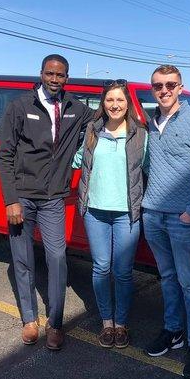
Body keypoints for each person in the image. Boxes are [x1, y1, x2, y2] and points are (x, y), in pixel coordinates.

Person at [0, 54, 93, 350]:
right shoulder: (20, 107)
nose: (55, 79)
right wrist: (11, 200)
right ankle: (29, 319)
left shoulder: (76, 108)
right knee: (23, 260)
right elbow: (4, 156)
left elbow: (107, 116)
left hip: (53, 200)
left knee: (57, 258)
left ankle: (55, 323)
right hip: (23, 199)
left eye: (60, 75)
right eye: (50, 73)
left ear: (67, 77)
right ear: (41, 74)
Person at [142, 65, 190, 379]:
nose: (164, 90)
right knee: (167, 278)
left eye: (170, 84)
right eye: (158, 86)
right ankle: (173, 330)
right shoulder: (150, 124)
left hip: (182, 218)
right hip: (153, 215)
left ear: (180, 86)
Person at [72, 79, 146, 349]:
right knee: (101, 268)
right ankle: (107, 322)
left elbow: (149, 168)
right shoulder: (92, 130)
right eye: (110, 100)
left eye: (120, 100)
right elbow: (78, 159)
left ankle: (121, 322)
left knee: (124, 272)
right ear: (103, 103)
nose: (115, 105)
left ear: (128, 104)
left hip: (127, 212)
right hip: (95, 211)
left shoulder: (140, 135)